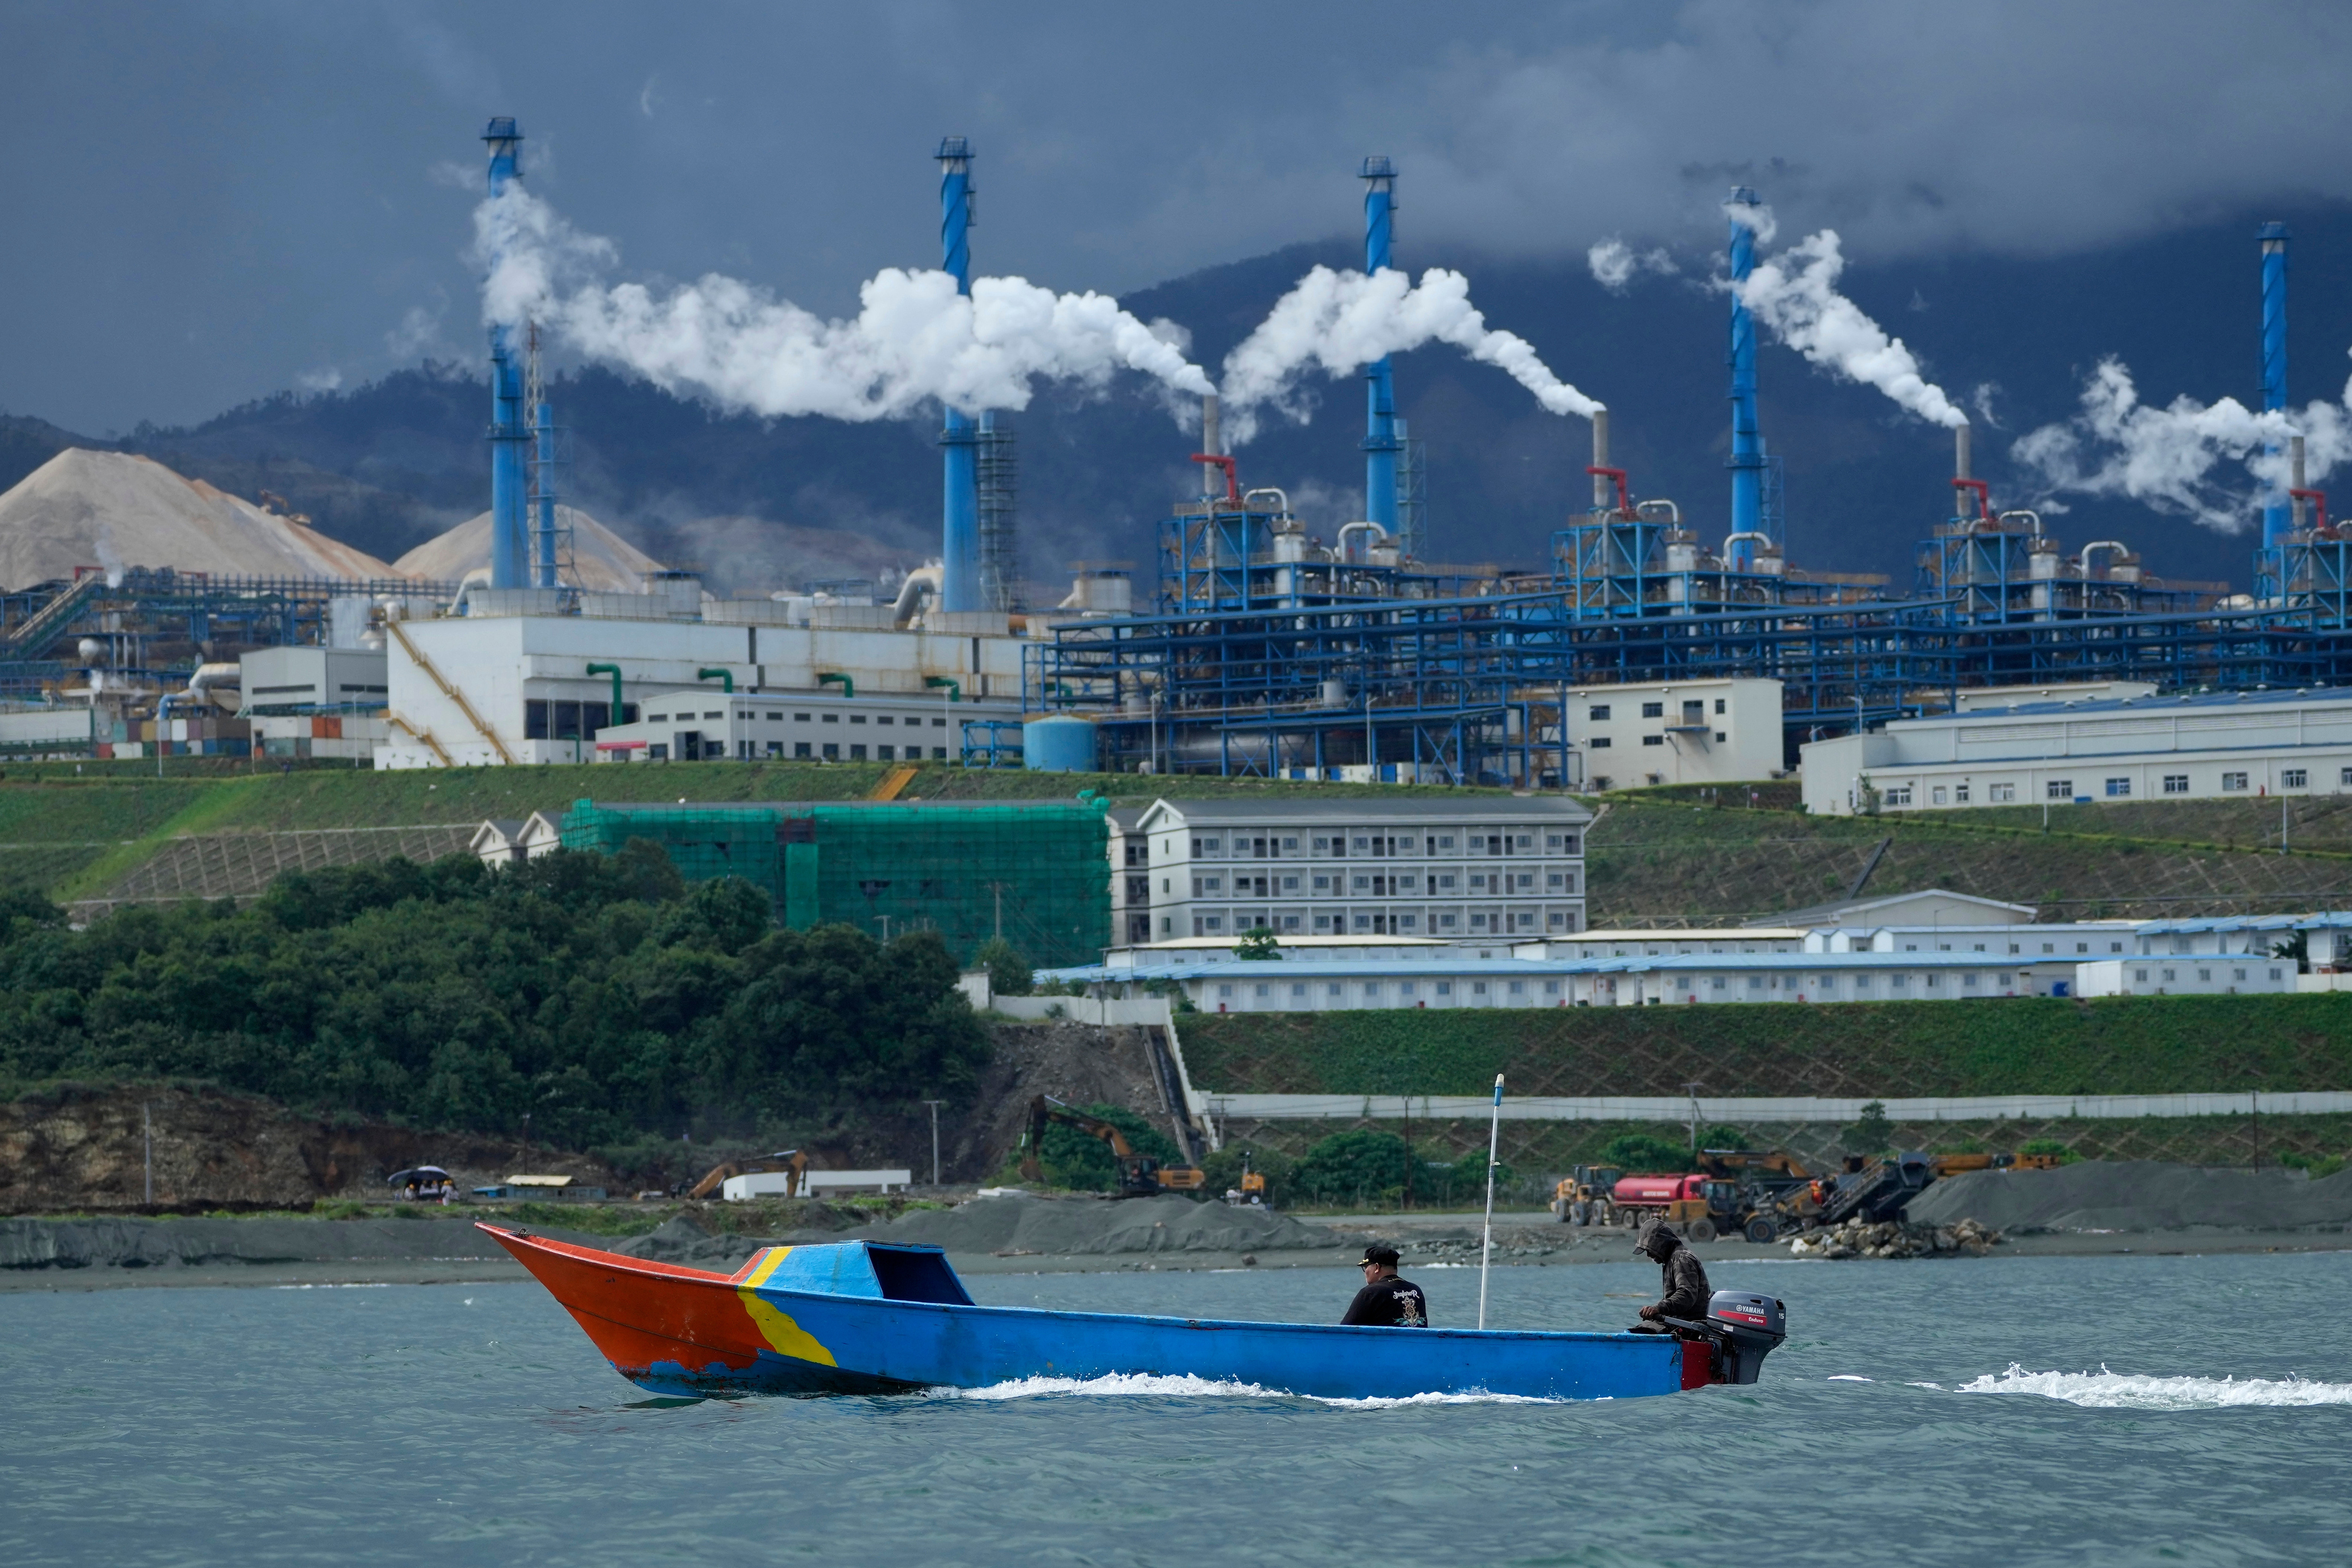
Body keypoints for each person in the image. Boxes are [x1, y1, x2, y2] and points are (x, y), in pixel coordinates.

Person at [1628, 1219, 1710, 1335]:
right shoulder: (1673, 1258)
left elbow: (1687, 1295)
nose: (1649, 1255)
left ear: (1660, 1244)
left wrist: (1659, 1308)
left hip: (1689, 1327)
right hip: (1679, 1323)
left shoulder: (1681, 1259)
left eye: (1650, 1249)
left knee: (1642, 1332)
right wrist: (1656, 1309)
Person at [1341, 1242, 1428, 1327]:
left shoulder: (1370, 1293)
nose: (1365, 1273)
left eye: (1365, 1267)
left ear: (1377, 1267)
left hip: (1386, 1342)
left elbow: (1344, 1331)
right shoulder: (1416, 1290)